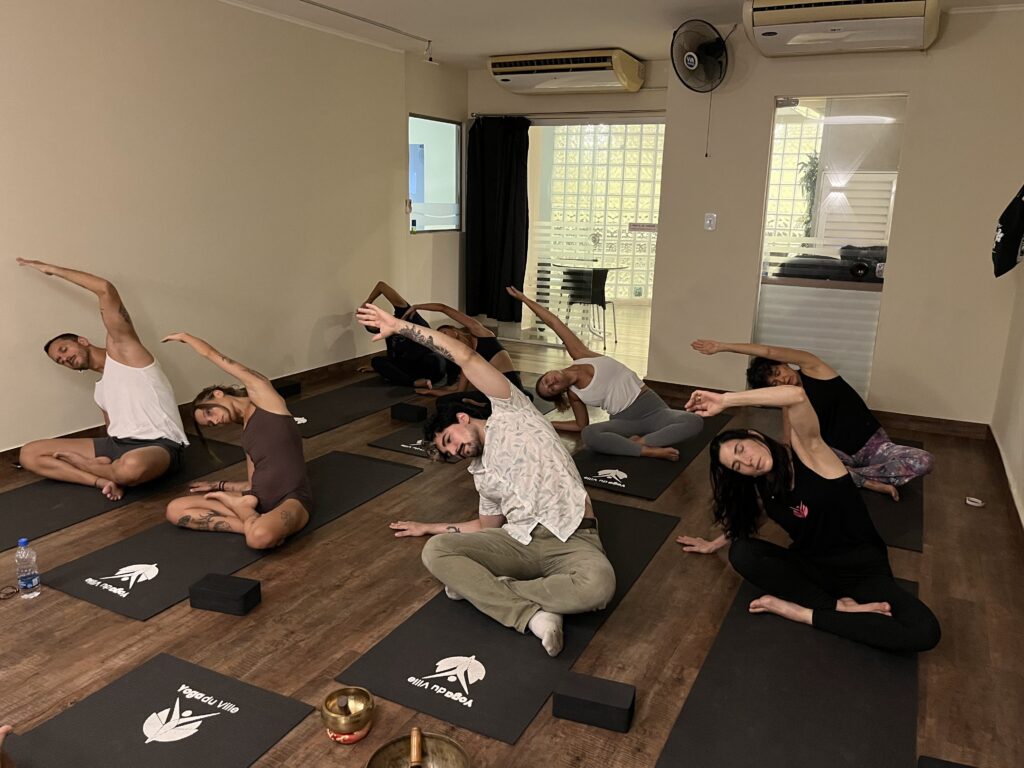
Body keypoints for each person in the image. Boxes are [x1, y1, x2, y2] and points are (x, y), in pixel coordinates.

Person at [356, 302, 616, 658]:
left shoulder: (513, 411)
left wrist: (401, 327)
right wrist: (430, 528)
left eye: (450, 440)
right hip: (519, 543)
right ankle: (537, 616)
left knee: (599, 586)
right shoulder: (480, 475)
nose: (455, 451)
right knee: (437, 553)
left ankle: (491, 591)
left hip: (573, 536)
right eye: (447, 453)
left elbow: (465, 357)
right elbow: (484, 525)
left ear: (462, 417)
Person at [677, 385, 940, 653]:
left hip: (863, 571)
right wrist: (712, 545)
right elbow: (752, 521)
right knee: (742, 552)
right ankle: (836, 607)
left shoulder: (813, 457)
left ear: (755, 436)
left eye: (742, 449)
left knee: (925, 632)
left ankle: (801, 613)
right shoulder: (763, 486)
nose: (747, 462)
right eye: (737, 465)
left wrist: (726, 400)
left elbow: (796, 396)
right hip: (812, 567)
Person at [16, 259, 188, 501]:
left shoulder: (127, 353)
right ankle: (101, 479)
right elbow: (112, 432)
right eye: (59, 360)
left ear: (82, 341)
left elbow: (105, 289)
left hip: (159, 445)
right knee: (29, 454)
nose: (64, 359)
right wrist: (107, 466)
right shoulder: (101, 390)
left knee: (130, 468)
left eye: (64, 350)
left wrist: (52, 270)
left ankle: (100, 468)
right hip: (117, 446)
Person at [691, 339, 933, 499]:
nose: (781, 381)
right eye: (773, 384)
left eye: (778, 373)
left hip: (873, 445)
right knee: (799, 460)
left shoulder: (815, 369)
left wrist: (723, 347)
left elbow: (767, 351)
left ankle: (856, 478)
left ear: (785, 364)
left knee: (923, 461)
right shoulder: (788, 402)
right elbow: (789, 441)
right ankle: (865, 480)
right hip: (836, 454)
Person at [508, 286, 702, 461]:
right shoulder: (575, 395)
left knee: (694, 421)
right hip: (624, 421)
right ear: (559, 391)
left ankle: (642, 442)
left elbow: (555, 323)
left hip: (653, 408)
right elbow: (581, 426)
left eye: (546, 381)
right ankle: (647, 450)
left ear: (549, 372)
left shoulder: (581, 354)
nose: (551, 383)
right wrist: (545, 422)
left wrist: (524, 299)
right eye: (551, 389)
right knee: (590, 435)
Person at [162, 332, 310, 550]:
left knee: (259, 538)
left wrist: (188, 338)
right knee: (175, 509)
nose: (215, 421)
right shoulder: (247, 434)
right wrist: (219, 486)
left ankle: (247, 516)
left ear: (218, 394)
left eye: (210, 412)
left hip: (291, 499)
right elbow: (254, 484)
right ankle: (249, 519)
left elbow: (215, 356)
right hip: (256, 500)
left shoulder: (265, 399)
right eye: (210, 424)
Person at [399, 301, 526, 402]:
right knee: (446, 403)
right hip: (494, 396)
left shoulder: (482, 334)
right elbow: (459, 391)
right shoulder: (464, 359)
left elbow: (443, 308)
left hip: (512, 389)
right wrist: (430, 392)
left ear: (454, 330)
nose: (444, 338)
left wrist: (417, 306)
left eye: (444, 332)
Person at [359, 281, 445, 387]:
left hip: (431, 364)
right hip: (413, 368)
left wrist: (368, 301)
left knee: (431, 358)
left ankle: (409, 380)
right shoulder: (389, 336)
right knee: (376, 361)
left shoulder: (405, 314)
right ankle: (414, 383)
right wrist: (378, 367)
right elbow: (394, 359)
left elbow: (381, 286)